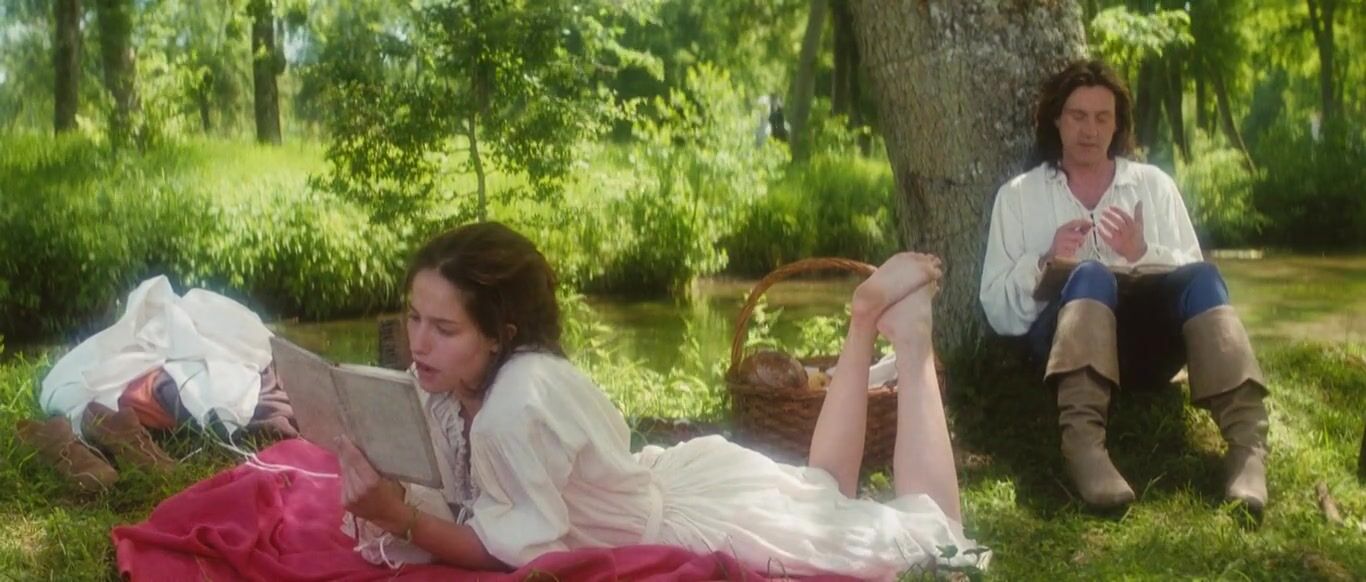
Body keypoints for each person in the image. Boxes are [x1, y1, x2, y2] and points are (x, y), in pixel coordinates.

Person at [337, 222, 988, 578]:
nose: (419, 343)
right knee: (823, 489)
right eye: (414, 317)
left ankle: (908, 340)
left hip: (684, 523)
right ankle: (866, 320)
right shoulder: (480, 376)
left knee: (941, 542)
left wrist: (399, 518)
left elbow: (512, 552)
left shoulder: (512, 410)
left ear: (499, 334)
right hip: (678, 481)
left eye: (443, 328)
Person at [979, 60, 1270, 512]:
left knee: (1205, 276)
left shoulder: (1153, 185)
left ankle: (1248, 450)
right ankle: (1085, 450)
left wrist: (1142, 252)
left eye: (1103, 117)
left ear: (1118, 124)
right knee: (1091, 274)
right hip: (1062, 351)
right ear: (1056, 119)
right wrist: (1043, 262)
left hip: (1148, 353)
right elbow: (996, 307)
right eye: (1078, 116)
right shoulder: (1018, 196)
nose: (1090, 130)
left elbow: (1191, 274)